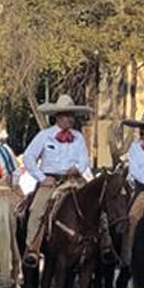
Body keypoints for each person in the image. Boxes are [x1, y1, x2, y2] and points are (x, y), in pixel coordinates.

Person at [22, 95, 94, 260]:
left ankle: (100, 244)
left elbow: (85, 159)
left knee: (96, 204)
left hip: (74, 180)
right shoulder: (44, 136)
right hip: (51, 181)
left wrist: (78, 168)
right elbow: (29, 157)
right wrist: (42, 178)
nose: (70, 119)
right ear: (58, 117)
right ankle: (32, 246)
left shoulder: (79, 137)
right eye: (67, 115)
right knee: (37, 209)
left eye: (72, 116)